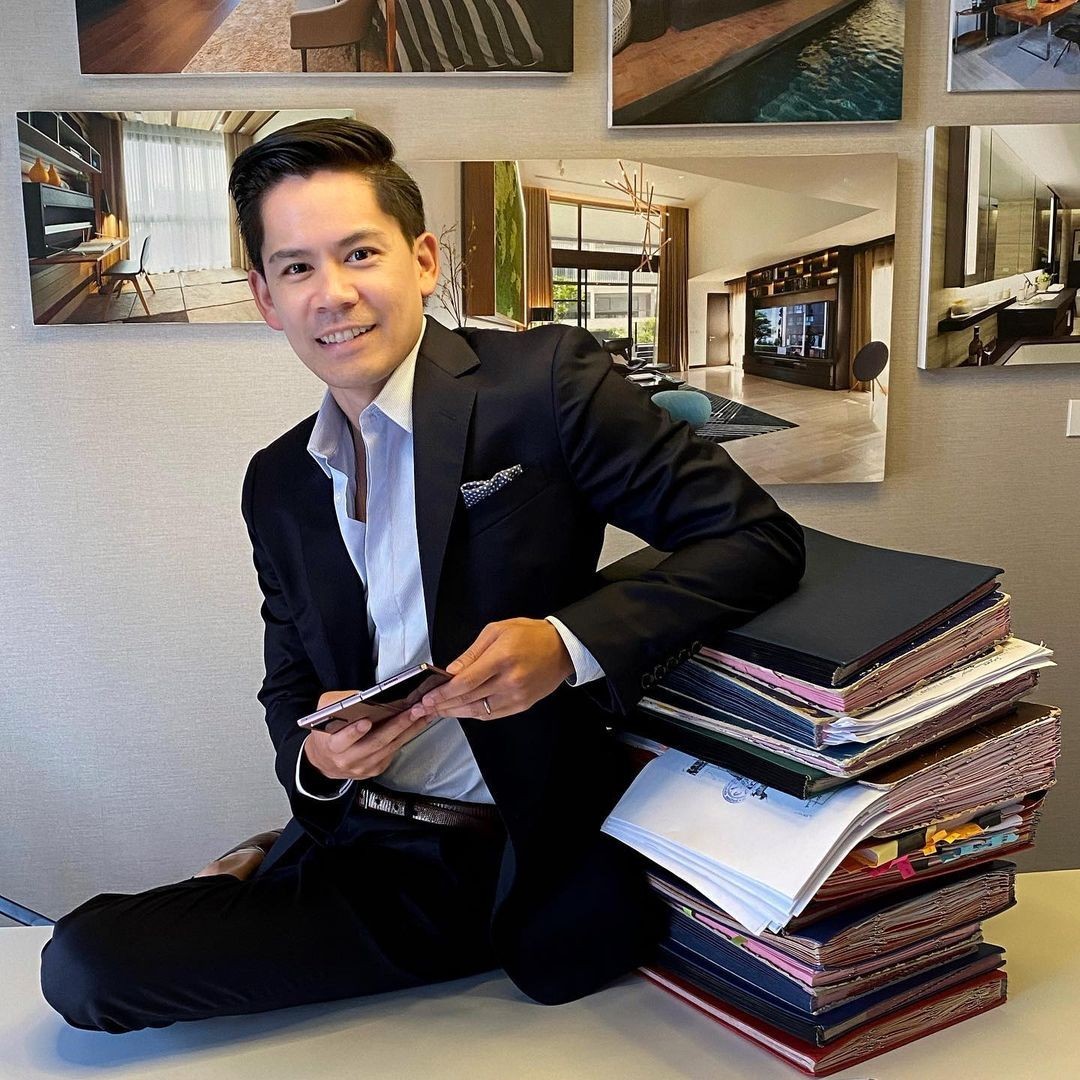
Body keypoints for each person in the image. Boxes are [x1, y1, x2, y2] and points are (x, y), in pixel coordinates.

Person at [40, 119, 805, 1033]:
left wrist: (565, 646)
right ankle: (265, 856)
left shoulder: (546, 383)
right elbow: (289, 684)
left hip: (495, 857)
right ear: (265, 297)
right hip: (346, 833)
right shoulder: (278, 482)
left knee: (87, 967)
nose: (333, 294)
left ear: (424, 260)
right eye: (296, 267)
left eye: (359, 253)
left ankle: (265, 870)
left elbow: (755, 539)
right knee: (85, 959)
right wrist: (317, 762)